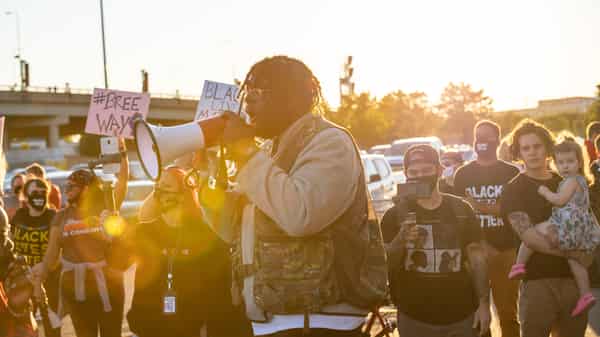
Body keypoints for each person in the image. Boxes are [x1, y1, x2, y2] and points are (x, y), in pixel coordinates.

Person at [198, 55, 388, 337]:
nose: (247, 103)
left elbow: (301, 215)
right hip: (279, 319)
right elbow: (230, 231)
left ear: (290, 98)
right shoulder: (268, 152)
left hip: (319, 322)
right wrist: (205, 177)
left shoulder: (329, 141)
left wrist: (247, 153)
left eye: (257, 93)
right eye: (246, 93)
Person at [126, 166, 251, 337]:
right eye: (158, 186)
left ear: (183, 194)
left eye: (167, 187)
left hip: (192, 330)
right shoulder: (144, 232)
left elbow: (219, 295)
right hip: (149, 329)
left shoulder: (204, 236)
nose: (160, 191)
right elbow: (119, 262)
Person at [381, 144, 490, 337]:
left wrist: (483, 304)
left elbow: (478, 261)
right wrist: (400, 240)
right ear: (405, 174)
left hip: (462, 315)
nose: (420, 176)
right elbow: (385, 265)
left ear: (439, 170)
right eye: (413, 172)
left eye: (426, 170)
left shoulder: (461, 210)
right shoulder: (394, 215)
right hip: (414, 317)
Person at [501, 119, 588, 337]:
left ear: (547, 147)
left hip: (572, 281)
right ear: (518, 153)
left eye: (537, 146)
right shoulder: (513, 189)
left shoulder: (567, 182)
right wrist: (571, 253)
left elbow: (586, 223)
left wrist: (585, 253)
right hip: (537, 282)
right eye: (526, 148)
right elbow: (529, 237)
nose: (532, 152)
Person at [508, 136, 600, 316]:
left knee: (532, 234)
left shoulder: (570, 181)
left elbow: (559, 200)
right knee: (575, 262)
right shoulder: (582, 181)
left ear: (580, 162)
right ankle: (585, 294)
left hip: (567, 223)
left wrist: (545, 192)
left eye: (570, 162)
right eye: (561, 163)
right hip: (579, 228)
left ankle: (519, 265)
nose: (565, 166)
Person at [33, 169, 125, 337]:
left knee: (112, 334)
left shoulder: (105, 210)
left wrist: (123, 158)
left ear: (87, 189)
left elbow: (122, 186)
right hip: (77, 290)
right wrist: (39, 282)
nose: (66, 190)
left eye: (71, 186)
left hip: (109, 288)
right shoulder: (60, 217)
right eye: (65, 186)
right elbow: (51, 255)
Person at [452, 120, 521, 337]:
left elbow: (511, 211)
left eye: (487, 137)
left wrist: (478, 206)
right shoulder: (463, 174)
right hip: (474, 253)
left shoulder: (511, 172)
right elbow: (460, 216)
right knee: (477, 315)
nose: (481, 141)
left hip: (506, 252)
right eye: (477, 137)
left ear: (497, 141)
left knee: (508, 313)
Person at [10, 178, 61, 329]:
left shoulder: (53, 216)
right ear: (25, 196)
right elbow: (10, 244)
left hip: (49, 279)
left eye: (42, 192)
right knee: (24, 326)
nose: (39, 196)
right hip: (23, 278)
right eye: (34, 192)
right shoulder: (19, 215)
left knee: (52, 325)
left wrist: (44, 269)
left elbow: (59, 249)